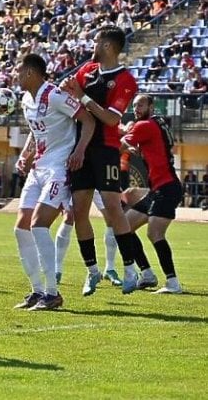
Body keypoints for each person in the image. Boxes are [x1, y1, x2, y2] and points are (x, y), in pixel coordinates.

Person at [61, 25, 141, 295]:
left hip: (106, 150)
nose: (92, 45)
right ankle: (92, 271)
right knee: (79, 211)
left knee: (112, 208)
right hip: (79, 149)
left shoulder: (125, 80)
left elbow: (111, 118)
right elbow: (69, 95)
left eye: (96, 40)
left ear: (107, 45)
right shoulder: (86, 71)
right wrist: (67, 90)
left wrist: (81, 96)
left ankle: (130, 268)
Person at [12, 54, 95, 310]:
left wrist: (79, 150)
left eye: (18, 70)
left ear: (30, 73)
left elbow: (88, 119)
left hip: (59, 169)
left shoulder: (55, 95)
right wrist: (26, 155)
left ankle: (52, 293)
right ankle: (37, 291)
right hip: (38, 169)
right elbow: (36, 132)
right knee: (20, 229)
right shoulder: (27, 99)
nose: (15, 75)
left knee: (38, 225)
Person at [121, 95, 183, 293]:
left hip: (166, 188)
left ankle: (173, 283)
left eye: (140, 104)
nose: (136, 108)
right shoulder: (156, 122)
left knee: (154, 232)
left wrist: (124, 134)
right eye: (134, 105)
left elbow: (121, 143)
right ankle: (147, 273)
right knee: (125, 227)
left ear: (151, 106)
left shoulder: (144, 125)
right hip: (158, 188)